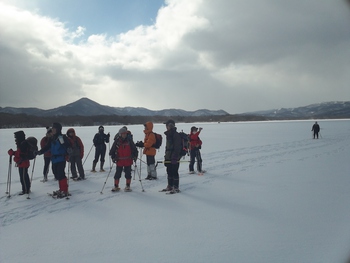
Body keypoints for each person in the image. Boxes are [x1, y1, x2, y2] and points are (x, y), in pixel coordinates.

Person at [36, 122, 70, 198]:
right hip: (54, 159)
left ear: (58, 129)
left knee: (61, 174)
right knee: (57, 174)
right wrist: (40, 152)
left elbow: (66, 146)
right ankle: (61, 189)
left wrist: (68, 150)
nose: (53, 130)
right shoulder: (52, 138)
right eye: (52, 128)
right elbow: (47, 147)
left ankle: (64, 190)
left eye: (54, 128)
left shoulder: (61, 138)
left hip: (61, 158)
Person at [109, 127, 138, 192]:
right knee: (117, 174)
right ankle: (116, 186)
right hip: (119, 161)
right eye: (123, 134)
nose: (124, 135)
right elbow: (112, 151)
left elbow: (135, 150)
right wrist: (113, 158)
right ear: (120, 134)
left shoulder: (129, 141)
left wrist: (134, 156)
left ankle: (128, 186)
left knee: (128, 174)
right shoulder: (117, 141)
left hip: (128, 160)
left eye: (125, 134)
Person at [161, 119, 182, 194]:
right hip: (168, 156)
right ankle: (170, 185)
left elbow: (177, 147)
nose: (166, 127)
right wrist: (166, 157)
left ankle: (176, 187)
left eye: (167, 125)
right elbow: (168, 147)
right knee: (169, 171)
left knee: (174, 171)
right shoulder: (168, 135)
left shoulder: (176, 135)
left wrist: (175, 157)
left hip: (175, 157)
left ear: (170, 126)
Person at [7, 131, 31, 195]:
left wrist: (13, 153)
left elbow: (21, 154)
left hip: (23, 163)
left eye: (16, 137)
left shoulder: (23, 144)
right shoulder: (22, 143)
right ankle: (27, 189)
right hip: (23, 163)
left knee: (23, 178)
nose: (15, 139)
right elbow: (20, 153)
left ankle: (25, 190)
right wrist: (14, 153)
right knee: (25, 176)